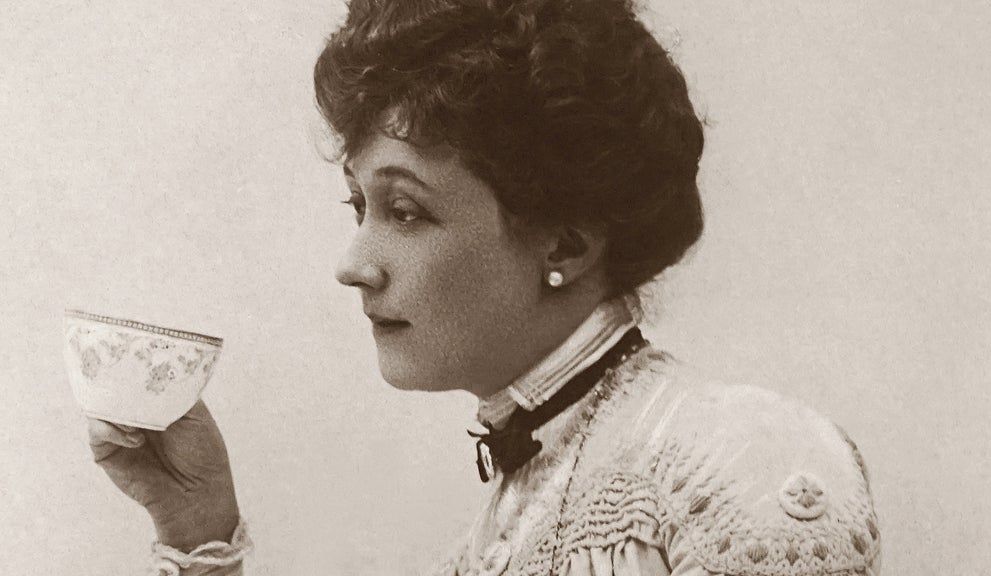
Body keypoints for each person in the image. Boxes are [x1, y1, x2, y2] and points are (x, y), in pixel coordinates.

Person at [86, 0, 882, 574]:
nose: (353, 262)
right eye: (359, 206)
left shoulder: (745, 462)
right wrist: (198, 526)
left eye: (405, 211)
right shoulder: (495, 532)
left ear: (565, 243)